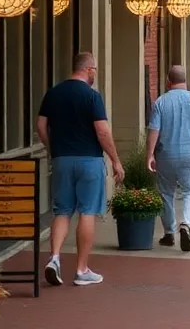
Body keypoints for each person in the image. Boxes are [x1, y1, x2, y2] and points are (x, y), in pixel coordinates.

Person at [36, 52, 124, 287]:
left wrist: (52, 148)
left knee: (62, 211)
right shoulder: (91, 96)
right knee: (87, 212)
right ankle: (81, 269)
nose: (95, 73)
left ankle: (54, 258)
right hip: (89, 161)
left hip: (62, 159)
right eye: (95, 69)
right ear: (89, 69)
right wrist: (115, 160)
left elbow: (41, 126)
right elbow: (103, 132)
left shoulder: (53, 93)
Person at [146, 65, 190, 252]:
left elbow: (154, 131)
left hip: (167, 154)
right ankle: (187, 224)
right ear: (186, 81)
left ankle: (169, 232)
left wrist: (149, 154)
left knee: (166, 193)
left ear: (168, 82)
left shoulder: (160, 103)